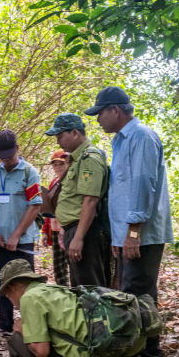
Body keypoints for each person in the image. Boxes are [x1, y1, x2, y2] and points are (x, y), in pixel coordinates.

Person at [86, 86, 173, 357]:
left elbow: (142, 186)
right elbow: (122, 191)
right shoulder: (120, 141)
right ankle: (139, 350)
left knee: (139, 293)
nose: (98, 119)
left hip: (142, 234)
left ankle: (149, 354)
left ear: (115, 110)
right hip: (128, 234)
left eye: (100, 113)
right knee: (131, 292)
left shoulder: (141, 137)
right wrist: (119, 235)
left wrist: (133, 232)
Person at [0, 259, 114, 357]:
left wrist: (22, 331)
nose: (12, 303)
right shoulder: (52, 290)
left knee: (16, 341)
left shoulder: (29, 298)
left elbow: (41, 352)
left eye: (7, 295)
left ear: (12, 287)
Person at [0, 129, 43, 335]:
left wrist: (17, 235)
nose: (6, 160)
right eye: (1, 156)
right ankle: (4, 324)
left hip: (23, 240)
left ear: (17, 149)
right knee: (2, 282)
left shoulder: (29, 172)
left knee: (26, 283)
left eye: (9, 155)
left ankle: (30, 325)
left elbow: (34, 206)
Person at [44, 113, 109, 287]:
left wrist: (79, 237)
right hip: (74, 230)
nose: (58, 141)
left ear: (74, 133)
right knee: (79, 288)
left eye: (60, 136)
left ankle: (98, 316)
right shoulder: (76, 159)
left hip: (86, 232)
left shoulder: (89, 159)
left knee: (91, 291)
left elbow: (90, 201)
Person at [41, 149, 70, 286]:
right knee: (59, 267)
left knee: (73, 264)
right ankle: (63, 294)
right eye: (55, 164)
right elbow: (49, 210)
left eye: (61, 164)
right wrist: (45, 232)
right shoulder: (53, 183)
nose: (58, 167)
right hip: (55, 229)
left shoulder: (72, 182)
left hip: (70, 229)